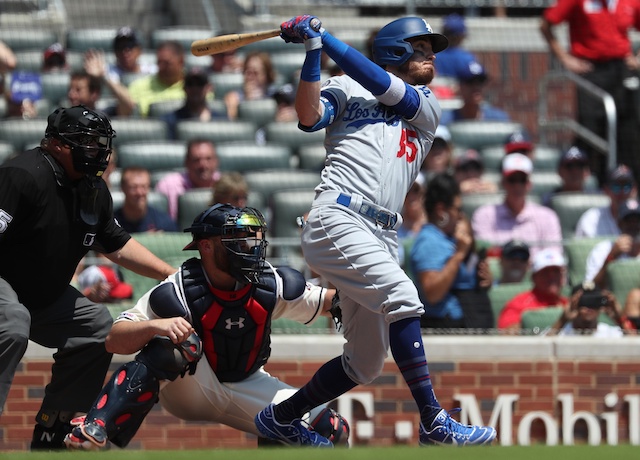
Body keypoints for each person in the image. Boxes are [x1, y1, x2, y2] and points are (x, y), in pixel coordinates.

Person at [252, 15, 497, 447]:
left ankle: (282, 418)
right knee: (404, 297)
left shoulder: (427, 102)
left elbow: (383, 86)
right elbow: (308, 117)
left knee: (365, 362)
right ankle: (433, 420)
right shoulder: (346, 87)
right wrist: (313, 52)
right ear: (396, 50)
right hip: (337, 216)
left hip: (382, 232)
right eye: (420, 49)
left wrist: (325, 39)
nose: (431, 56)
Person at [63, 203, 349, 450]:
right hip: (193, 386)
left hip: (249, 382)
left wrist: (339, 258)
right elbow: (114, 340)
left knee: (331, 428)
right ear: (207, 246)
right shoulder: (180, 288)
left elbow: (333, 303)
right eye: (237, 241)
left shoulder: (269, 282)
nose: (249, 249)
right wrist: (155, 327)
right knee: (172, 345)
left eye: (251, 240)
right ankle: (94, 429)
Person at [0, 105, 176, 449]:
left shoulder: (93, 190)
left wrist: (168, 273)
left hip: (42, 295)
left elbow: (117, 246)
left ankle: (56, 429)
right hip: (4, 282)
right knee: (12, 322)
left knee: (97, 326)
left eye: (100, 144)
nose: (97, 151)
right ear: (56, 144)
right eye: (87, 143)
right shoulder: (22, 174)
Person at [540, 0, 640, 186]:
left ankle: (630, 187)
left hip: (622, 69)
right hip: (591, 70)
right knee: (591, 128)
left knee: (629, 131)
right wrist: (565, 58)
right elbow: (545, 24)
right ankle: (588, 183)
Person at [411, 173, 494, 330]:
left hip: (470, 324)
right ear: (441, 210)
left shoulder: (453, 239)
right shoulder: (428, 241)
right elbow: (433, 293)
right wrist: (459, 255)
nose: (461, 215)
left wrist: (485, 280)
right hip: (445, 329)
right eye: (458, 209)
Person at [471, 153, 563, 257]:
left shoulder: (547, 217)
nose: (517, 186)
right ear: (503, 182)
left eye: (522, 180)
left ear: (529, 184)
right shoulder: (485, 215)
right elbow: (486, 255)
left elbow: (553, 256)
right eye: (512, 180)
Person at [498, 247, 569, 331]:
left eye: (556, 271)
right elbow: (507, 337)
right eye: (545, 272)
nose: (551, 277)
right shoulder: (519, 305)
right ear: (534, 277)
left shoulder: (568, 304)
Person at [155, 139, 221, 221]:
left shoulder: (225, 185)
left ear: (216, 161)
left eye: (208, 159)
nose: (203, 165)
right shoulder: (167, 185)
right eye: (196, 160)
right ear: (187, 162)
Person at [584, 198, 640, 287]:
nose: (634, 225)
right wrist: (612, 257)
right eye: (628, 221)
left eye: (638, 221)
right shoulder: (603, 249)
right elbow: (590, 286)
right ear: (619, 223)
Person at [125, 40, 187, 117]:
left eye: (166, 63)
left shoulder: (195, 86)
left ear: (181, 61)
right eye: (159, 62)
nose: (161, 67)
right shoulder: (138, 87)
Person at [439, 59, 510, 125]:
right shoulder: (446, 120)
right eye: (470, 82)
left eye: (481, 82)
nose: (476, 87)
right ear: (459, 87)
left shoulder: (498, 119)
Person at [161, 66, 225, 139]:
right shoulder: (170, 121)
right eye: (190, 84)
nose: (195, 89)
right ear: (184, 88)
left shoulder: (222, 121)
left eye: (200, 84)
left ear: (209, 88)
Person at [575, 164, 637, 238]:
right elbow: (585, 249)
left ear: (634, 189)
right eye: (616, 186)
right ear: (606, 190)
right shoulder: (592, 219)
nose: (622, 192)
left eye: (627, 186)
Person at [546, 283, 630, 336]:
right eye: (584, 301)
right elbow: (541, 349)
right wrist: (563, 320)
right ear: (573, 304)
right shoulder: (561, 333)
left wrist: (619, 319)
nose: (589, 307)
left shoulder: (610, 333)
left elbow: (636, 348)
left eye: (594, 302)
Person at [114, 166, 177, 233]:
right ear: (123, 188)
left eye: (144, 187)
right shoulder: (111, 223)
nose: (140, 193)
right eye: (133, 187)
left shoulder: (164, 224)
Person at [224, 51, 277, 121]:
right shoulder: (233, 98)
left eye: (255, 73)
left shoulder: (276, 98)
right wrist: (247, 101)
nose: (250, 77)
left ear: (266, 76)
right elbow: (232, 122)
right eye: (248, 72)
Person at [434, 13, 478, 79]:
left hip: (436, 88)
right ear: (461, 36)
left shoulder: (432, 55)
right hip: (459, 88)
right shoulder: (466, 57)